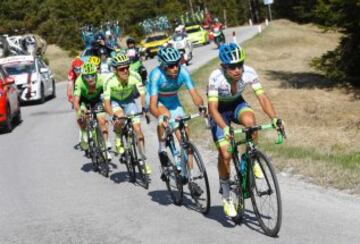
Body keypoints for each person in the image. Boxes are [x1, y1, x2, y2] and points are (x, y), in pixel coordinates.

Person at [207, 43, 284, 217]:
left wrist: (274, 118)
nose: (237, 70)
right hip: (219, 111)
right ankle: (226, 195)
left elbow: (262, 97)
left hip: (236, 104)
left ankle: (252, 157)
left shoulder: (249, 72)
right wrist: (225, 128)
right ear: (224, 66)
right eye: (232, 67)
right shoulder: (215, 77)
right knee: (225, 154)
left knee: (251, 122)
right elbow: (212, 108)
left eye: (240, 65)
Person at [148, 47, 206, 181]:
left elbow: (194, 94)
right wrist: (160, 117)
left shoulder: (183, 72)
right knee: (165, 116)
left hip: (174, 102)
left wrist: (201, 106)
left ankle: (189, 176)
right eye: (171, 65)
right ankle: (162, 148)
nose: (175, 68)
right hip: (157, 101)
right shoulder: (156, 75)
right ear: (163, 65)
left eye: (177, 63)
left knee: (185, 137)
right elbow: (152, 105)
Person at [103, 53, 151, 174]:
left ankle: (143, 160)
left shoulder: (135, 76)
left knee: (138, 131)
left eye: (127, 68)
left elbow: (142, 94)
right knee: (120, 118)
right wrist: (111, 115)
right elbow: (107, 102)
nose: (125, 71)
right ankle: (118, 136)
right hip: (115, 102)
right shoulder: (109, 80)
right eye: (121, 69)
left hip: (129, 101)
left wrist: (144, 108)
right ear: (115, 70)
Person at [73, 62, 111, 160]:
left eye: (92, 76)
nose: (90, 79)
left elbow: (108, 95)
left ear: (96, 73)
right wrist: (80, 113)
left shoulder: (101, 78)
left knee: (102, 120)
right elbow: (76, 101)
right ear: (83, 76)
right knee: (82, 117)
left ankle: (105, 145)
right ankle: (84, 133)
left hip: (96, 100)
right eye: (87, 77)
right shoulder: (79, 81)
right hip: (83, 101)